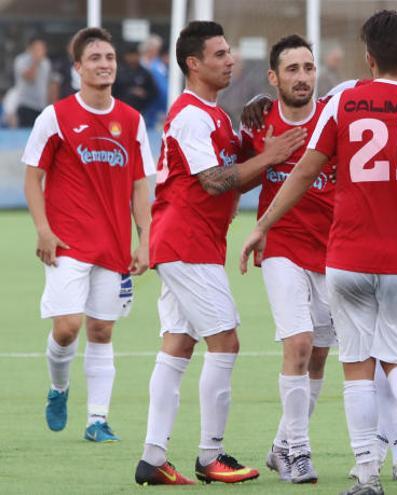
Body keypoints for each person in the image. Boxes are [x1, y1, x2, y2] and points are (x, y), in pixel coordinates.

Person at [240, 11, 397, 495]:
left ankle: (366, 476)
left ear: (368, 56)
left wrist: (262, 226)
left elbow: (302, 171)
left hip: (349, 256)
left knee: (356, 364)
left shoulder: (343, 102)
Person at [134, 20, 303, 486]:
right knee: (225, 341)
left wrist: (255, 138)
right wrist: (268, 156)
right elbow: (213, 180)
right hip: (185, 243)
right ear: (194, 63)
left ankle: (152, 458)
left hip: (190, 242)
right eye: (220, 54)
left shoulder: (215, 116)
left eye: (229, 52)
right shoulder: (191, 114)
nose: (231, 60)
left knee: (178, 346)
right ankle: (211, 455)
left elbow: (235, 174)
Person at [22, 27, 153, 444]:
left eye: (109, 57)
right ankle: (59, 389)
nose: (105, 64)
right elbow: (32, 176)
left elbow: (139, 185)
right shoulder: (55, 116)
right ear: (78, 67)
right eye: (95, 58)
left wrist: (144, 238)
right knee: (67, 328)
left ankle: (98, 420)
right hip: (66, 243)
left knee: (102, 331)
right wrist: (43, 229)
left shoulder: (132, 122)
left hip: (113, 245)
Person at [238, 33, 326, 484]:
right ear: (273, 77)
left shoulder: (335, 117)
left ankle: (280, 446)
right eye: (291, 69)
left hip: (334, 253)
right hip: (281, 247)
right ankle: (299, 452)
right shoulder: (256, 124)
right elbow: (232, 176)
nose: (302, 77)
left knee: (318, 358)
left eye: (308, 67)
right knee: (298, 344)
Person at [13, 36, 52, 127]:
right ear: (30, 49)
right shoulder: (21, 60)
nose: (40, 51)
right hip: (26, 105)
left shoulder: (46, 62)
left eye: (42, 48)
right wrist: (35, 61)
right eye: (37, 48)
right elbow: (30, 77)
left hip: (41, 106)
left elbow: (48, 85)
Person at [112, 43, 157, 113]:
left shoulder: (145, 72)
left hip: (140, 111)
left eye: (136, 55)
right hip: (120, 110)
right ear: (126, 56)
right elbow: (113, 91)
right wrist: (130, 92)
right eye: (131, 55)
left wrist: (144, 94)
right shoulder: (118, 72)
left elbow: (153, 92)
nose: (133, 58)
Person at [140, 34, 169, 128]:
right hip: (148, 106)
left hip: (162, 107)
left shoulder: (159, 64)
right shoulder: (142, 63)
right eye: (156, 48)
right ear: (149, 48)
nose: (157, 51)